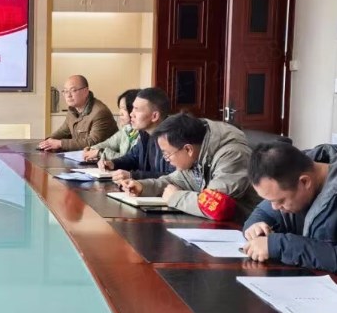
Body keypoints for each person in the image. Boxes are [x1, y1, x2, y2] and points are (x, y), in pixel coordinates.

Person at [118, 113, 261, 221]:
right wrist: (143, 186)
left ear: (188, 149)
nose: (167, 160)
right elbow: (175, 181)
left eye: (167, 154)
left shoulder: (232, 154)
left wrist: (176, 197)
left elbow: (216, 205)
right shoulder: (199, 149)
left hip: (244, 229)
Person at [242, 142, 337, 272]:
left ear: (305, 182)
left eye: (280, 200)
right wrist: (255, 226)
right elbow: (263, 213)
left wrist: (279, 246)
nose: (274, 207)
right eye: (270, 200)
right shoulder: (287, 171)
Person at [98, 87, 173, 181]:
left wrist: (133, 175)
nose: (131, 114)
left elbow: (173, 177)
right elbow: (133, 157)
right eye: (132, 108)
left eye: (137, 110)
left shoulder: (173, 138)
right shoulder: (145, 133)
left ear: (154, 116)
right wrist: (113, 163)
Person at [38, 75, 118, 152]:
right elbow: (63, 131)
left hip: (105, 158)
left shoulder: (100, 112)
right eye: (65, 91)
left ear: (86, 91)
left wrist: (60, 143)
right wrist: (47, 141)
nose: (68, 95)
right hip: (83, 156)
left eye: (73, 90)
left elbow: (93, 142)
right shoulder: (72, 109)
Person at [82, 89, 140, 161]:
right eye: (120, 108)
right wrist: (92, 149)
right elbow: (109, 143)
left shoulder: (142, 135)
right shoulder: (127, 129)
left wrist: (100, 153)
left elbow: (128, 160)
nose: (120, 113)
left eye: (124, 109)